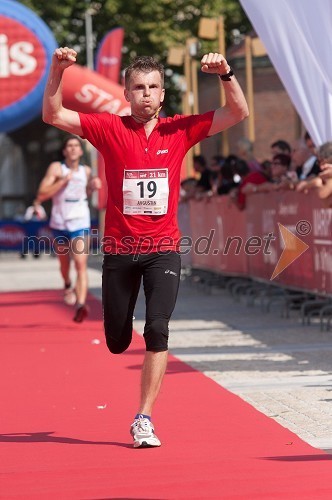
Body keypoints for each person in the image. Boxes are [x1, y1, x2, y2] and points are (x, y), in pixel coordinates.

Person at [42, 46, 248, 448]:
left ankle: (143, 418)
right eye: (139, 87)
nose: (147, 94)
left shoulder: (180, 129)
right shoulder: (108, 129)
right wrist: (56, 72)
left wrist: (226, 74)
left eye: (154, 87)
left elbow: (237, 113)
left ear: (162, 95)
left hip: (164, 249)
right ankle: (121, 331)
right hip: (120, 250)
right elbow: (53, 114)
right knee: (118, 341)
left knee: (157, 328)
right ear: (126, 93)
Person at [37, 135, 102, 322]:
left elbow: (87, 191)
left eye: (76, 146)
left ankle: (81, 304)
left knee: (81, 264)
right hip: (60, 223)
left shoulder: (86, 170)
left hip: (80, 222)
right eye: (69, 146)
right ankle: (67, 284)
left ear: (81, 151)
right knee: (64, 264)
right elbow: (42, 193)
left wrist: (93, 186)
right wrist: (62, 182)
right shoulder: (57, 169)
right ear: (65, 151)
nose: (73, 149)